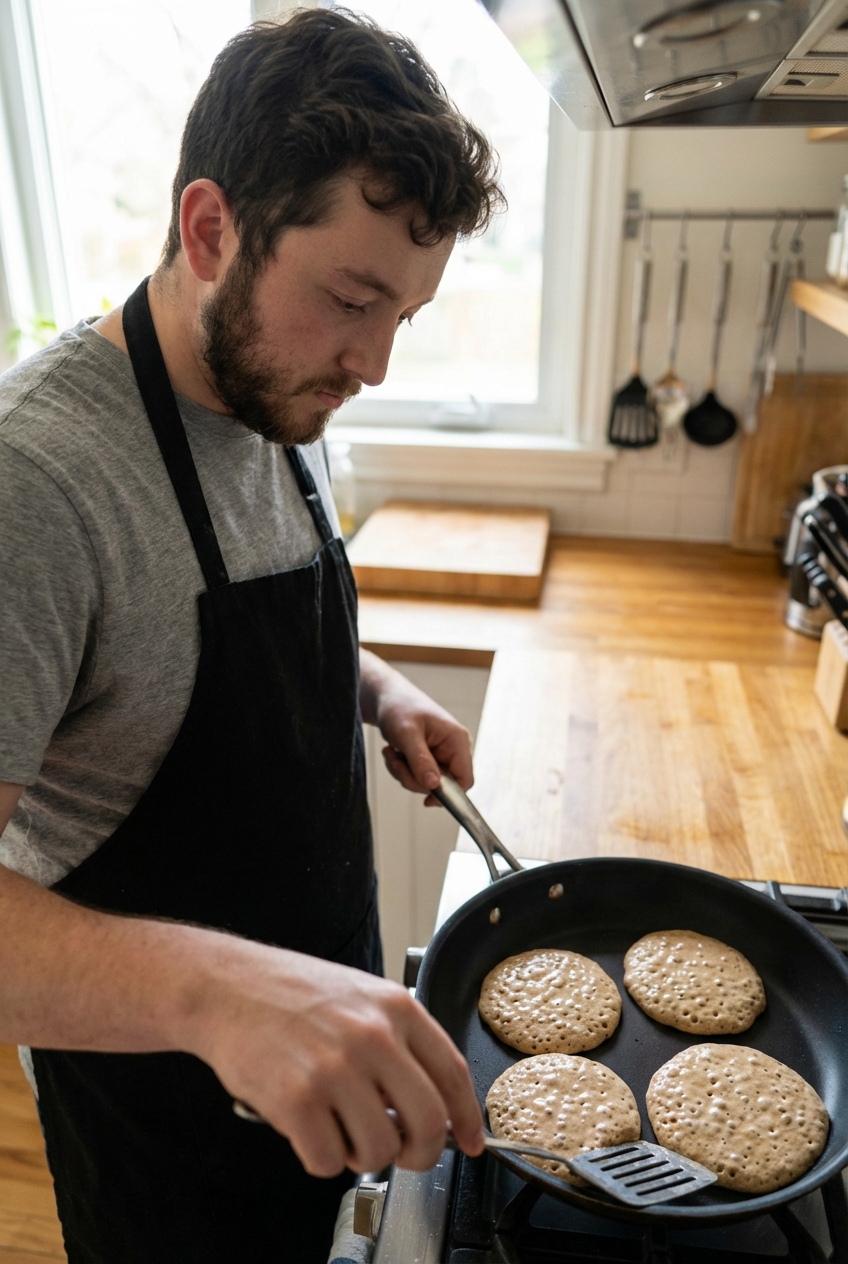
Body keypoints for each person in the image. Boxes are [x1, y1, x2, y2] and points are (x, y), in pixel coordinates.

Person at [0, 9, 504, 1261]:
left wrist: (375, 689)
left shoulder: (278, 386)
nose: (374, 363)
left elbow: (193, 638)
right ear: (213, 229)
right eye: (352, 298)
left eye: (406, 314)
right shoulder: (36, 486)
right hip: (167, 1129)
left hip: (331, 1048)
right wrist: (221, 992)